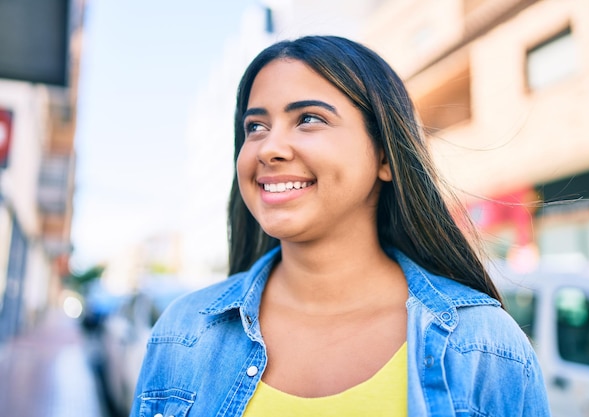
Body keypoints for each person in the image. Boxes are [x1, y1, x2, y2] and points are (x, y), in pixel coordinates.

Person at [130, 35, 551, 417]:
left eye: (309, 118)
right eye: (255, 127)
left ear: (385, 157)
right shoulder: (183, 334)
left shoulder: (485, 349)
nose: (269, 147)